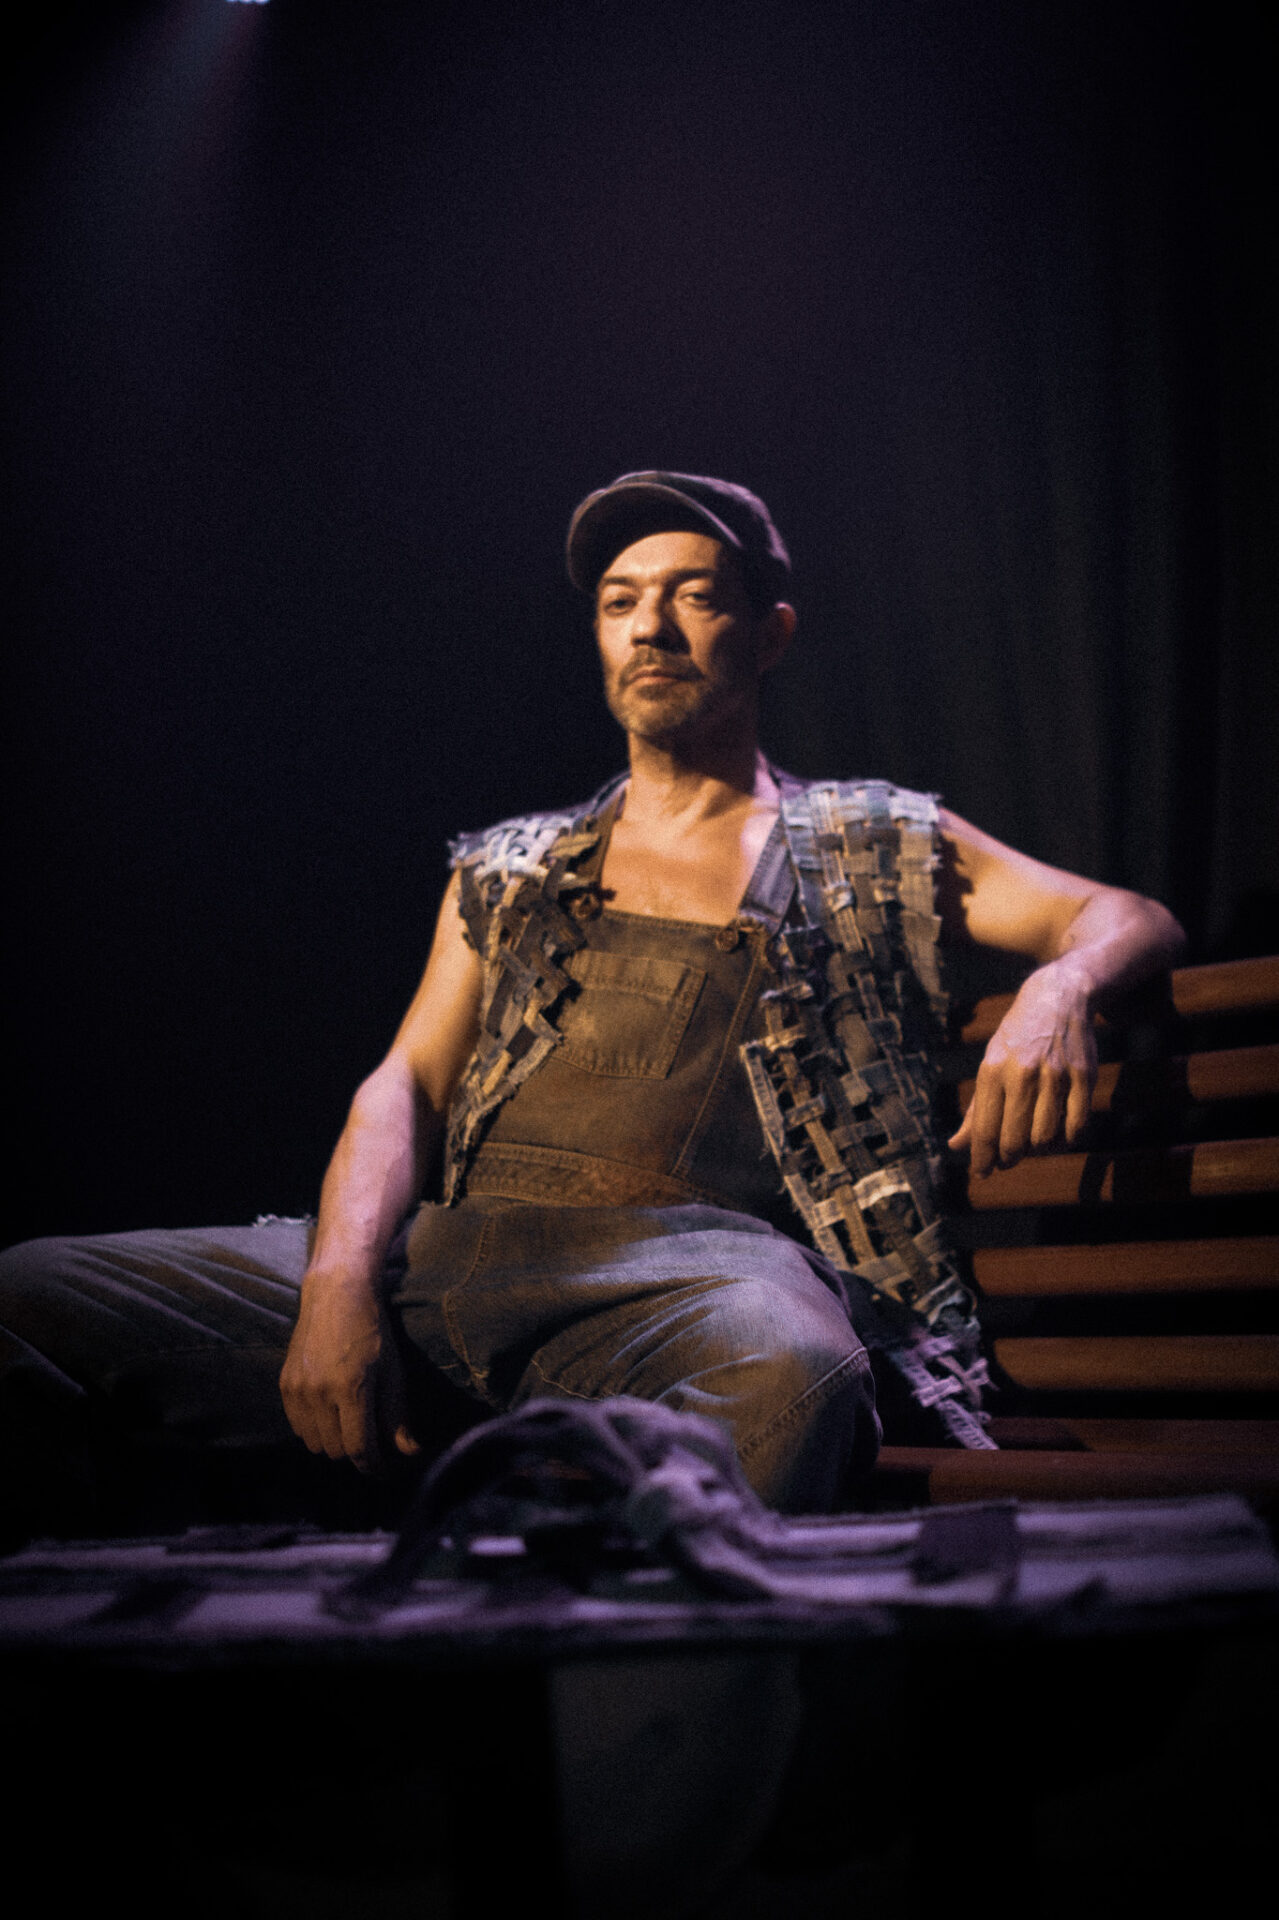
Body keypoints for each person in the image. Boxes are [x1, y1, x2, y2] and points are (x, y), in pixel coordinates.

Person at [0, 472, 1184, 1540]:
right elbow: (405, 1085)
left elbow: (1122, 914)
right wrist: (336, 1286)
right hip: (451, 1259)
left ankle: (642, 1700)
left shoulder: (863, 840)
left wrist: (1059, 986)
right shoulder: (510, 867)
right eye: (621, 602)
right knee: (24, 1293)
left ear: (770, 634)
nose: (649, 628)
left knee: (796, 1379)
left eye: (693, 598)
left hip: (692, 1286)